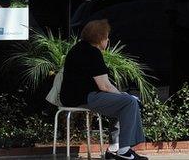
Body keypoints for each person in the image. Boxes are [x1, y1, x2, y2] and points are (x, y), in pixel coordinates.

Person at [59, 19, 148, 160]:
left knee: (122, 102)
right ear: (100, 39)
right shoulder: (92, 53)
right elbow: (104, 86)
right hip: (83, 97)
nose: (108, 40)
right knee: (129, 102)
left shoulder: (78, 48)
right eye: (107, 37)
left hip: (75, 96)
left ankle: (114, 148)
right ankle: (124, 151)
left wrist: (120, 96)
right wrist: (123, 96)